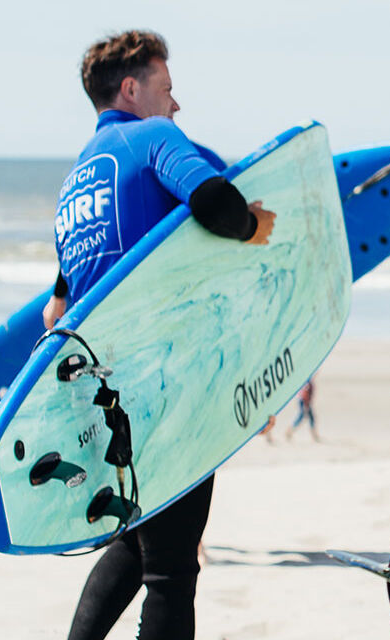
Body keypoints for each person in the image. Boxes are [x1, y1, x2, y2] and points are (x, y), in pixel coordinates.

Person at [53, 30, 275, 640]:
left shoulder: (74, 187)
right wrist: (254, 226)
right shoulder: (153, 138)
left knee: (138, 540)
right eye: (167, 88)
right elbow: (215, 202)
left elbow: (57, 308)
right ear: (131, 88)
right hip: (166, 383)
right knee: (173, 570)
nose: (176, 106)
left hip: (105, 395)